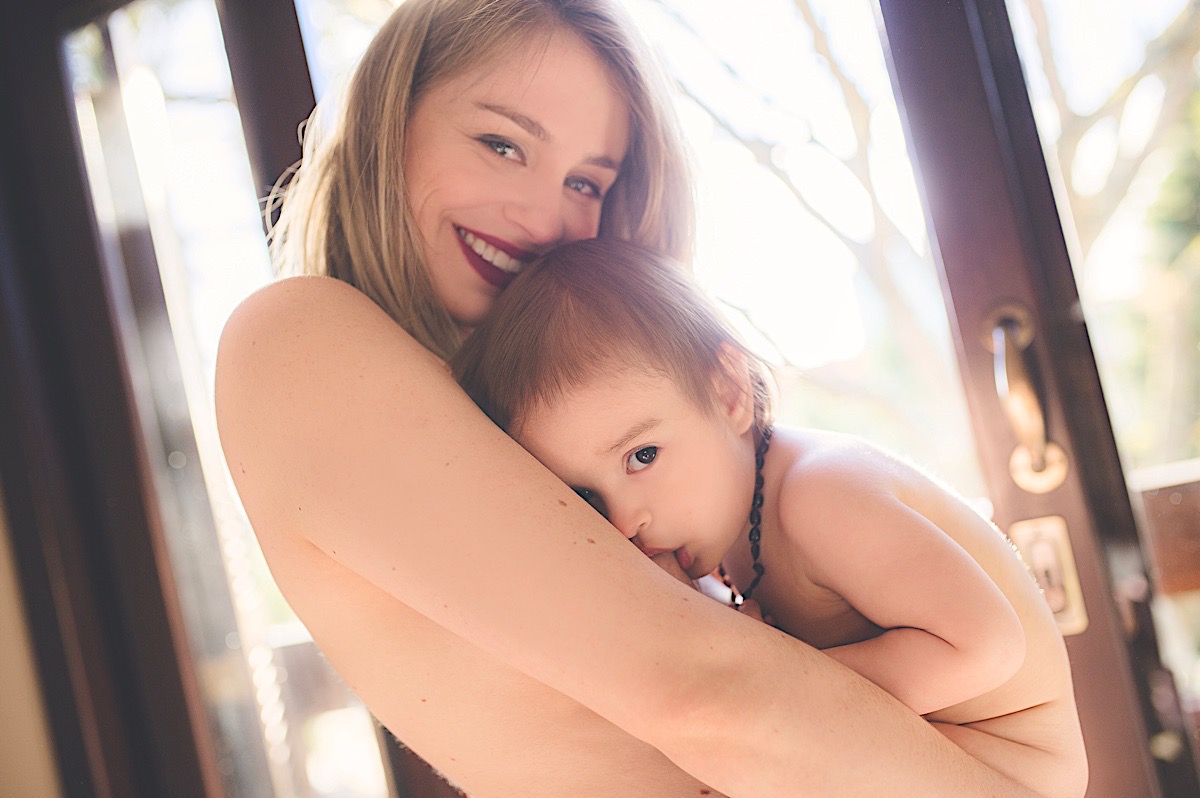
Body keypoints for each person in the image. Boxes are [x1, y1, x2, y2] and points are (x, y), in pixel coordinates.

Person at [214, 0, 1075, 795]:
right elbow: (717, 696)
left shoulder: (583, 420)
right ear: (383, 130)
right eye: (502, 144)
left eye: (587, 183)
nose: (544, 219)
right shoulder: (298, 339)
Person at [451, 237, 1089, 797]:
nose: (624, 521)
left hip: (1009, 768)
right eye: (587, 498)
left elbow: (983, 647)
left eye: (641, 456)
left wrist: (785, 696)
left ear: (728, 391)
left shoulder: (821, 494)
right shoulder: (722, 521)